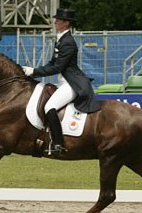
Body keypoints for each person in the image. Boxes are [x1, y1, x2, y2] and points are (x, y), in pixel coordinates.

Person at [23, 8, 100, 156]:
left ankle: (59, 144)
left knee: (49, 107)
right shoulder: (61, 39)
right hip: (64, 81)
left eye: (58, 20)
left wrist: (34, 71)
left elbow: (58, 67)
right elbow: (52, 63)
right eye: (56, 19)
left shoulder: (68, 42)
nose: (55, 22)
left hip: (72, 83)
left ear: (66, 23)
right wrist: (34, 71)